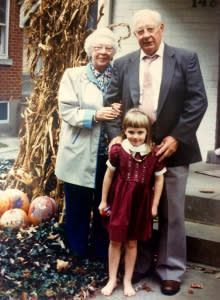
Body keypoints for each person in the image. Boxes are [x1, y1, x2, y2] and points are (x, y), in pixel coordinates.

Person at [104, 9, 208, 295]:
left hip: (172, 151)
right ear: (135, 34)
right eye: (140, 31)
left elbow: (197, 101)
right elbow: (112, 105)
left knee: (171, 212)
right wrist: (117, 139)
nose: (146, 35)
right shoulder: (124, 63)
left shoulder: (185, 59)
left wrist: (177, 137)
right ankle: (138, 267)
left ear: (161, 29)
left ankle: (170, 269)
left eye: (151, 29)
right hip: (133, 155)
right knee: (137, 208)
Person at [55, 27, 121, 259]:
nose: (103, 52)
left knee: (105, 204)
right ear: (89, 50)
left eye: (108, 48)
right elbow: (66, 110)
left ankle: (102, 251)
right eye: (98, 47)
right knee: (78, 203)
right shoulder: (73, 75)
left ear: (114, 52)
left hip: (109, 153)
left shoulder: (119, 75)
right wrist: (94, 115)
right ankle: (77, 251)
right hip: (80, 149)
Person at [99, 108, 166, 297]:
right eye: (131, 132)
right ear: (124, 131)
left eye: (140, 132)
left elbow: (159, 179)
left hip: (140, 205)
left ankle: (127, 280)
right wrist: (104, 201)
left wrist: (154, 205)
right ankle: (112, 279)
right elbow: (109, 175)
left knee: (131, 243)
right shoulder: (119, 150)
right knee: (115, 241)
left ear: (147, 132)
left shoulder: (153, 153)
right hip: (120, 203)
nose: (135, 136)